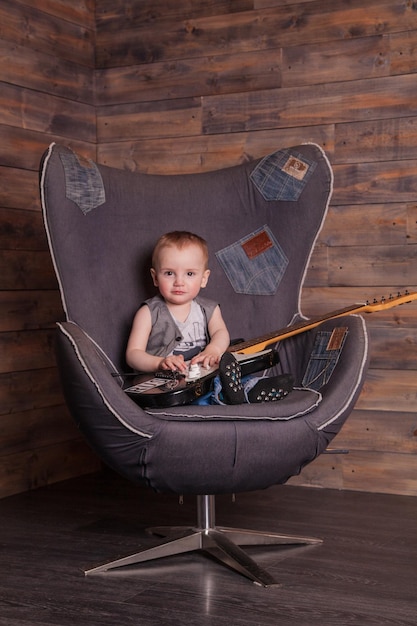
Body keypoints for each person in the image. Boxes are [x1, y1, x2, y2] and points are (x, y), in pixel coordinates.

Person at [126, 231, 292, 404]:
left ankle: (252, 387)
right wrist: (160, 363)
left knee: (224, 366)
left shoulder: (209, 309)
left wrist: (213, 350)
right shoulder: (148, 312)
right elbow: (133, 354)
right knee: (195, 393)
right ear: (155, 277)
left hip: (203, 372)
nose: (179, 282)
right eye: (169, 273)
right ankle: (230, 394)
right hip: (169, 382)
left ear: (204, 278)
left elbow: (221, 333)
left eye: (189, 274)